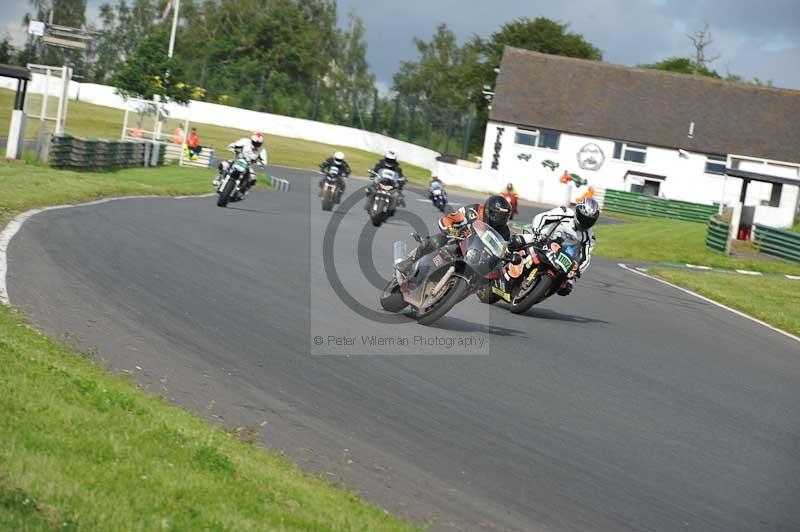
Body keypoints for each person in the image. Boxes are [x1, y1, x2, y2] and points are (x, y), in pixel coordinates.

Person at [396, 195, 513, 275]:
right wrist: (451, 229)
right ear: (488, 211)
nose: (499, 220)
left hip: (476, 255)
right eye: (497, 216)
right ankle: (409, 261)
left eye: (503, 217)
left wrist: (506, 256)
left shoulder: (504, 232)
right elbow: (450, 218)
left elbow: (502, 251)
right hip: (457, 240)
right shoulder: (474, 211)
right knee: (435, 241)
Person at [508, 198, 600, 296]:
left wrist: (577, 271)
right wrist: (537, 231)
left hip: (563, 260)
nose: (585, 222)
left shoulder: (589, 237)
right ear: (577, 212)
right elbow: (543, 217)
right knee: (516, 241)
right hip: (543, 240)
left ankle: (540, 292)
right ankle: (502, 259)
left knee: (566, 288)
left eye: (589, 221)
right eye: (583, 218)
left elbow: (586, 259)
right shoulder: (565, 213)